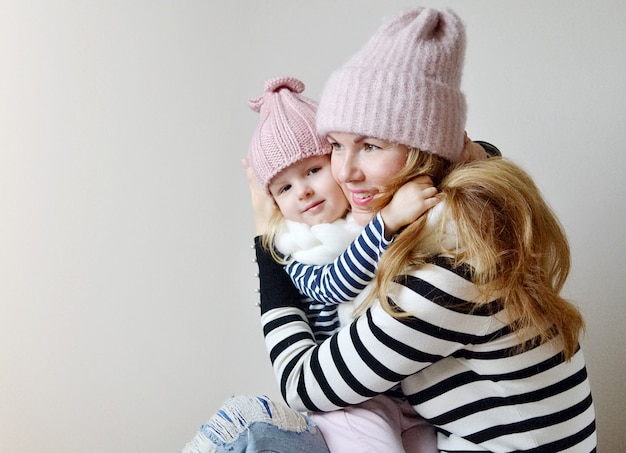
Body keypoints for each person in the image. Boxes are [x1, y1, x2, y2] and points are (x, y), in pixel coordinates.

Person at [245, 75, 439, 342]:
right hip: (341, 373)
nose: (303, 192)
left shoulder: (363, 212)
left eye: (313, 170)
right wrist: (387, 220)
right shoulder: (295, 248)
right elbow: (333, 286)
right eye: (285, 189)